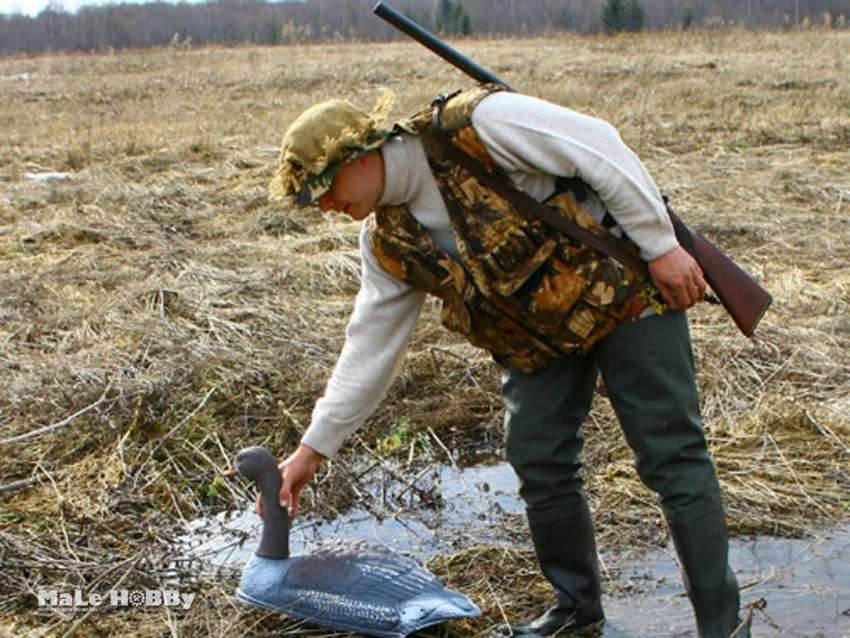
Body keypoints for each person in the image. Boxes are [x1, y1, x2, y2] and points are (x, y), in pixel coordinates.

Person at [262, 84, 742, 638]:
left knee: (671, 455)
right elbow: (368, 347)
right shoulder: (386, 244)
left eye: (327, 189)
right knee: (537, 455)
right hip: (539, 339)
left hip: (626, 295)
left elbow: (601, 146)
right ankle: (576, 612)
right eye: (313, 200)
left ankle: (721, 627)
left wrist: (661, 247)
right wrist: (311, 451)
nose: (325, 207)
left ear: (364, 155)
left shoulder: (479, 126)